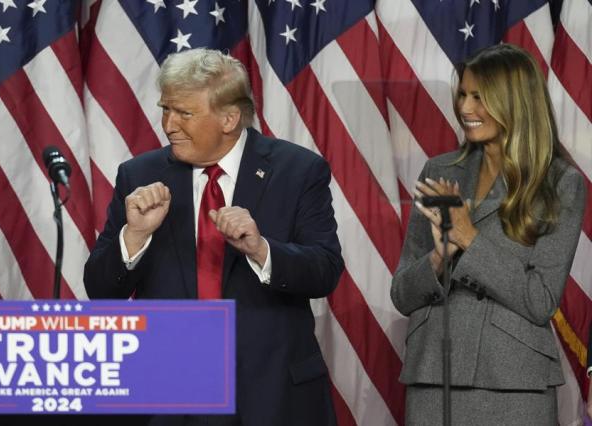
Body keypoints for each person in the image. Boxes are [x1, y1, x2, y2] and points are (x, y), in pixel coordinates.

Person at [84, 48, 343, 426]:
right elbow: (101, 289)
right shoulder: (139, 175)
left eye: (184, 113)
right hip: (171, 396)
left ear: (229, 118)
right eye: (166, 109)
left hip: (270, 394)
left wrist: (261, 250)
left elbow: (325, 270)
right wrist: (135, 236)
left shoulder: (298, 170)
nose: (169, 124)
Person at [391, 43, 586, 425]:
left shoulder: (562, 183)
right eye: (463, 95)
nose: (465, 109)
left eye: (479, 97)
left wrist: (469, 238)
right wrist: (438, 257)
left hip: (513, 382)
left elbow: (539, 299)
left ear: (515, 100)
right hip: (435, 377)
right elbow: (401, 293)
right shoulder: (439, 169)